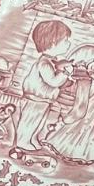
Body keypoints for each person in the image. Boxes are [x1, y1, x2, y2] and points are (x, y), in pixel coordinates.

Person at [11, 20, 72, 163]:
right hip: (35, 99)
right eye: (65, 41)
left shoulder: (50, 61)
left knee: (38, 122)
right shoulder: (44, 63)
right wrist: (65, 73)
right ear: (53, 43)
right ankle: (22, 141)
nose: (68, 43)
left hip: (43, 100)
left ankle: (32, 139)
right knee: (30, 121)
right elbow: (53, 81)